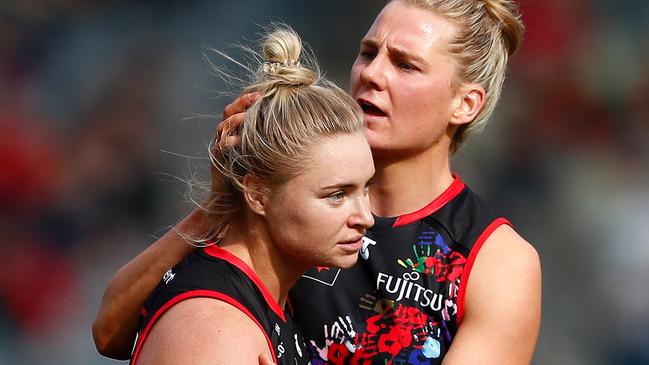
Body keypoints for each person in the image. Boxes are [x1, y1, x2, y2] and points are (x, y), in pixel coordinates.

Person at [93, 0, 542, 363]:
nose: (371, 74)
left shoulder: (493, 261)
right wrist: (223, 201)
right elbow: (112, 333)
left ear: (465, 103)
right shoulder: (287, 200)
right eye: (368, 52)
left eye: (406, 65)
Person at [122, 26, 375, 364]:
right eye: (336, 195)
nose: (366, 217)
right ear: (257, 193)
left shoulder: (271, 296)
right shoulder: (216, 331)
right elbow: (107, 333)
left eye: (365, 188)